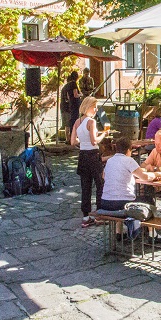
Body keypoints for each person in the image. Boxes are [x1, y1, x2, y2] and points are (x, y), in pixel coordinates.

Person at [99, 136, 160, 241]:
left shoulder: (110, 161)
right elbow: (145, 177)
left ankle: (118, 233)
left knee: (119, 195)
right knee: (149, 200)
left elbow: (104, 176)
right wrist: (156, 174)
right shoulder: (129, 160)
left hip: (105, 202)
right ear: (128, 150)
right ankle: (153, 235)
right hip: (123, 204)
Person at [72, 96, 107, 226]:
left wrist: (83, 140)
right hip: (93, 155)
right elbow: (94, 141)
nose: (96, 109)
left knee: (85, 186)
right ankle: (100, 213)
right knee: (100, 183)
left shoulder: (77, 122)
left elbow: (73, 141)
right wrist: (103, 134)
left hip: (82, 155)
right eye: (95, 107)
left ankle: (86, 216)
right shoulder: (91, 122)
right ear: (89, 107)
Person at [61, 71, 81, 140]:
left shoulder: (65, 86)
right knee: (72, 122)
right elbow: (75, 95)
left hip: (65, 107)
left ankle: (68, 139)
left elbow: (67, 97)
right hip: (71, 107)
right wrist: (81, 94)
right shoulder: (73, 84)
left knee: (67, 124)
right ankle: (73, 138)